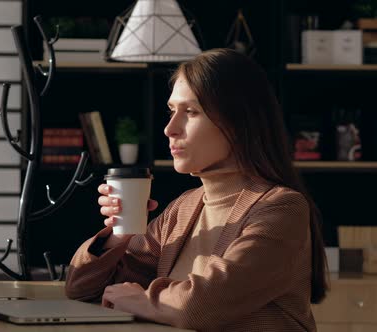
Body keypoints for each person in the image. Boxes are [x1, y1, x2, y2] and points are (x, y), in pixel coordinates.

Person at [65, 48, 328, 331]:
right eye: (171, 111)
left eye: (190, 112)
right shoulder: (185, 207)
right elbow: (82, 288)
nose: (170, 128)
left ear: (238, 122)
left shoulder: (282, 209)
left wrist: (141, 299)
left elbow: (201, 306)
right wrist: (121, 235)